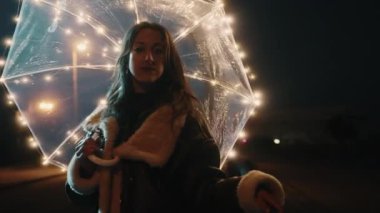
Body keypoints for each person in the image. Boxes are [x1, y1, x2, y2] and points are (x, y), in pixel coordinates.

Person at [66, 21, 285, 213]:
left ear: (168, 61)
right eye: (140, 49)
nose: (149, 58)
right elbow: (85, 198)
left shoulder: (182, 121)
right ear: (126, 58)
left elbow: (203, 189)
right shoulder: (108, 121)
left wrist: (247, 191)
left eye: (159, 51)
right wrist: (86, 165)